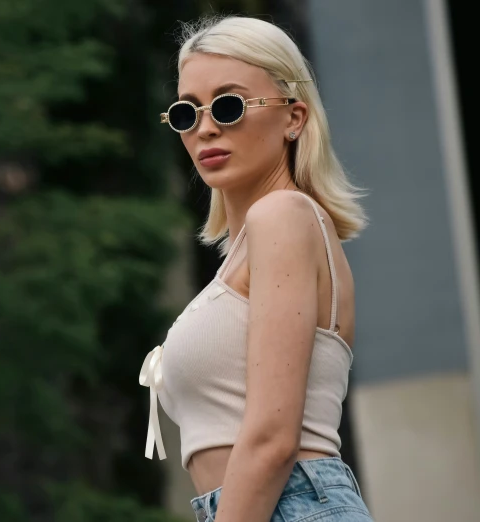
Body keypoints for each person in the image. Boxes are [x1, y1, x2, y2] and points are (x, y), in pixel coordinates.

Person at [138, 15, 373, 522]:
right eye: (186, 113)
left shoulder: (282, 217)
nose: (205, 126)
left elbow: (271, 439)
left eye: (228, 104)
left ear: (294, 117)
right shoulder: (254, 245)